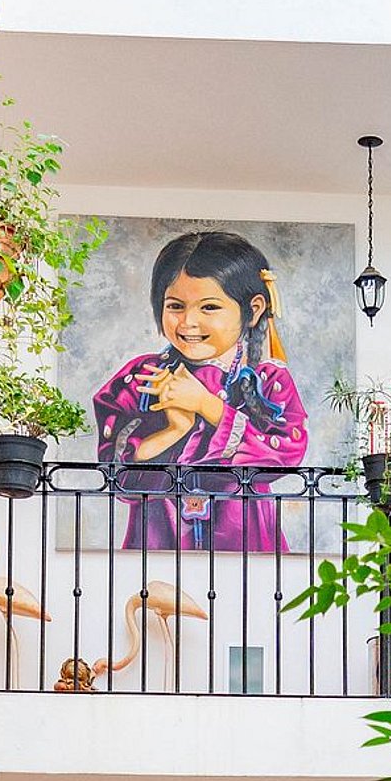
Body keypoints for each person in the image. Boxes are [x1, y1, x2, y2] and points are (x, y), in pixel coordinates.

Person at [94, 229, 306, 554]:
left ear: (254, 309)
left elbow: (285, 453)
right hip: (157, 541)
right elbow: (119, 480)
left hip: (244, 540)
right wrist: (173, 430)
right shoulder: (142, 376)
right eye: (175, 306)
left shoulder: (267, 378)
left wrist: (207, 405)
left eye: (209, 307)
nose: (188, 322)